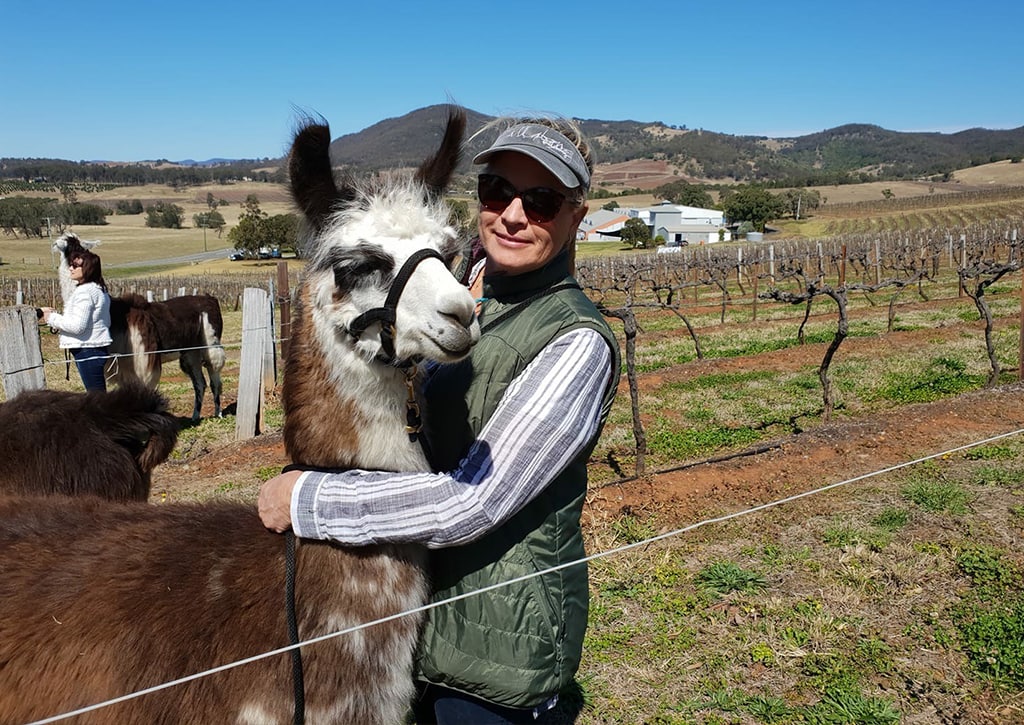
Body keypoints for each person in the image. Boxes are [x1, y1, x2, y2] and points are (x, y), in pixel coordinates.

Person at [259, 116, 621, 724]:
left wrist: (310, 499)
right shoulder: (474, 293)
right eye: (497, 191)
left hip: (497, 657)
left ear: (575, 216)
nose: (512, 214)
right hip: (416, 629)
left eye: (541, 201)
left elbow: (473, 502)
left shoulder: (575, 343)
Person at [41, 249, 112, 392]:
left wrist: (51, 318)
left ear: (87, 268)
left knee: (97, 398)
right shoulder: (98, 289)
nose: (70, 268)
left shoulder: (85, 292)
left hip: (87, 349)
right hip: (93, 347)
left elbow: (77, 326)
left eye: (75, 265)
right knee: (98, 396)